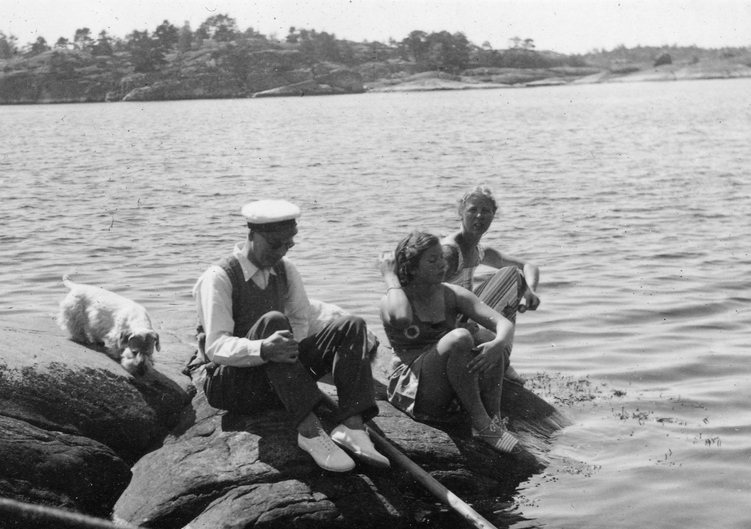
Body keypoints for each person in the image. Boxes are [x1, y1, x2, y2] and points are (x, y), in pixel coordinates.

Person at [190, 199, 388, 473]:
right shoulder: (219, 277)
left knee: (351, 324)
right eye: (275, 245)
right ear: (251, 235)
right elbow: (215, 347)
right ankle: (310, 432)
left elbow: (300, 326)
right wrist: (263, 349)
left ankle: (352, 427)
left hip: (275, 379)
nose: (282, 251)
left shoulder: (287, 270)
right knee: (274, 322)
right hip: (232, 383)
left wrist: (289, 370)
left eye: (289, 244)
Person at [378, 231, 520, 453]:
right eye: (432, 260)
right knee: (460, 338)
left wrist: (499, 343)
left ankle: (494, 419)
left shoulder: (451, 294)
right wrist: (390, 276)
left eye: (441, 258)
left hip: (450, 386)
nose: (442, 265)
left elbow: (503, 324)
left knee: (486, 338)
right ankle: (481, 423)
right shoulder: (394, 298)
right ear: (412, 268)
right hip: (416, 389)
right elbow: (402, 318)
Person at [443, 185, 541, 384]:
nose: (479, 216)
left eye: (486, 211)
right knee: (511, 276)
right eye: (472, 210)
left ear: (493, 215)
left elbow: (528, 266)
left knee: (514, 275)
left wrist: (530, 291)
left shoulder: (479, 250)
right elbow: (426, 295)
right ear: (460, 212)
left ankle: (501, 354)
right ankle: (501, 358)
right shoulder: (450, 251)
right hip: (445, 323)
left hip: (463, 314)